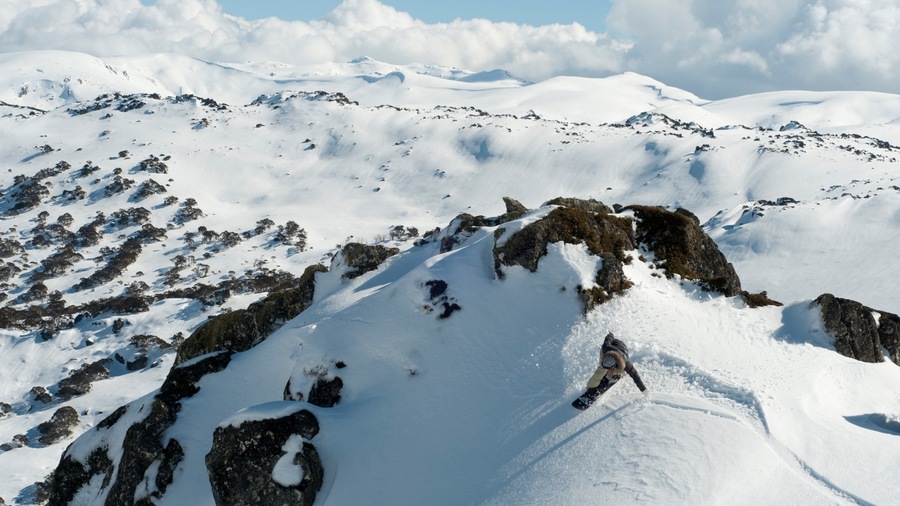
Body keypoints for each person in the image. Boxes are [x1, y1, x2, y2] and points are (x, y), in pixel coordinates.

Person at [582, 332, 647, 403]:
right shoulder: (606, 347)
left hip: (621, 348)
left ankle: (615, 375)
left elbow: (636, 377)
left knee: (620, 372)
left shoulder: (627, 364)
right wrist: (611, 334)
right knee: (601, 370)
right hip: (609, 349)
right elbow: (609, 337)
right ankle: (593, 385)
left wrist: (644, 390)